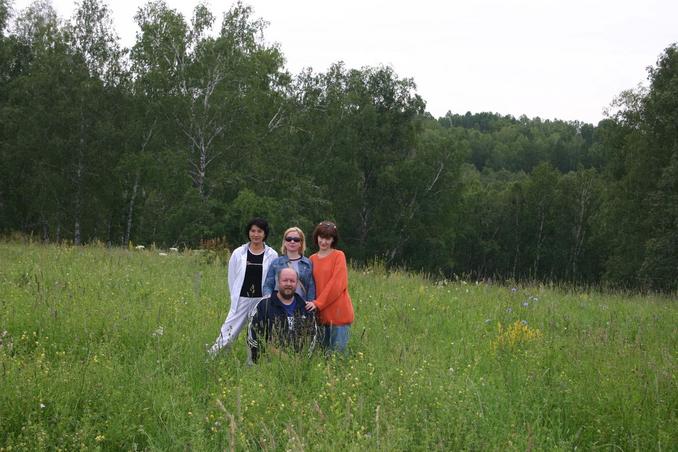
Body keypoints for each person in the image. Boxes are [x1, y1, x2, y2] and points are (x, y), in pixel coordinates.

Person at [208, 218, 278, 357]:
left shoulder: (272, 255)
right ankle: (212, 357)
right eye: (253, 231)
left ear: (265, 234)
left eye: (259, 231)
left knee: (256, 334)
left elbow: (273, 280)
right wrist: (235, 297)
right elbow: (232, 278)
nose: (256, 234)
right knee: (229, 331)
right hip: (242, 299)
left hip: (261, 301)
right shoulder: (239, 253)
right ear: (248, 232)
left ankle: (252, 364)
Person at [248, 268, 317, 363]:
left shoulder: (305, 309)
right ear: (278, 282)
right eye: (285, 280)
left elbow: (311, 339)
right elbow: (254, 337)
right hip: (268, 363)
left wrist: (301, 361)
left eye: (292, 281)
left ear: (297, 284)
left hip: (298, 364)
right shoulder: (264, 305)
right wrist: (280, 358)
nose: (288, 284)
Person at [305, 221, 354, 353]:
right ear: (316, 237)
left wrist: (318, 303)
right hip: (320, 316)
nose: (324, 241)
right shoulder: (312, 259)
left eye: (328, 238)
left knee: (337, 358)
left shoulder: (339, 256)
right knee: (322, 357)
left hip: (339, 315)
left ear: (333, 239)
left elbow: (337, 284)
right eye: (321, 237)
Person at [263, 227, 316, 302]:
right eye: (288, 239)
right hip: (278, 306)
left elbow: (311, 288)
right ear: (284, 242)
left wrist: (311, 303)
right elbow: (268, 285)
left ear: (301, 243)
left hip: (300, 306)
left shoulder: (307, 263)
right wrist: (268, 302)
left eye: (296, 240)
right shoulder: (276, 263)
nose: (292, 241)